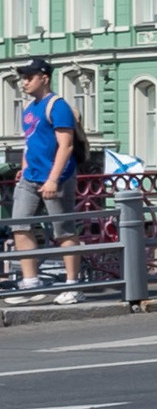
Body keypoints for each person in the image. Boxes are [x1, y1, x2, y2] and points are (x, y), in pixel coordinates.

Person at [11, 58, 78, 304]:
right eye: (23, 77)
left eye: (29, 77)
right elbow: (31, 144)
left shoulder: (57, 105)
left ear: (44, 78)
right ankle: (31, 283)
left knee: (64, 231)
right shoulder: (30, 109)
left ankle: (73, 284)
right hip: (30, 177)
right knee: (20, 225)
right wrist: (24, 168)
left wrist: (53, 179)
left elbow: (66, 145)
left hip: (56, 178)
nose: (24, 82)